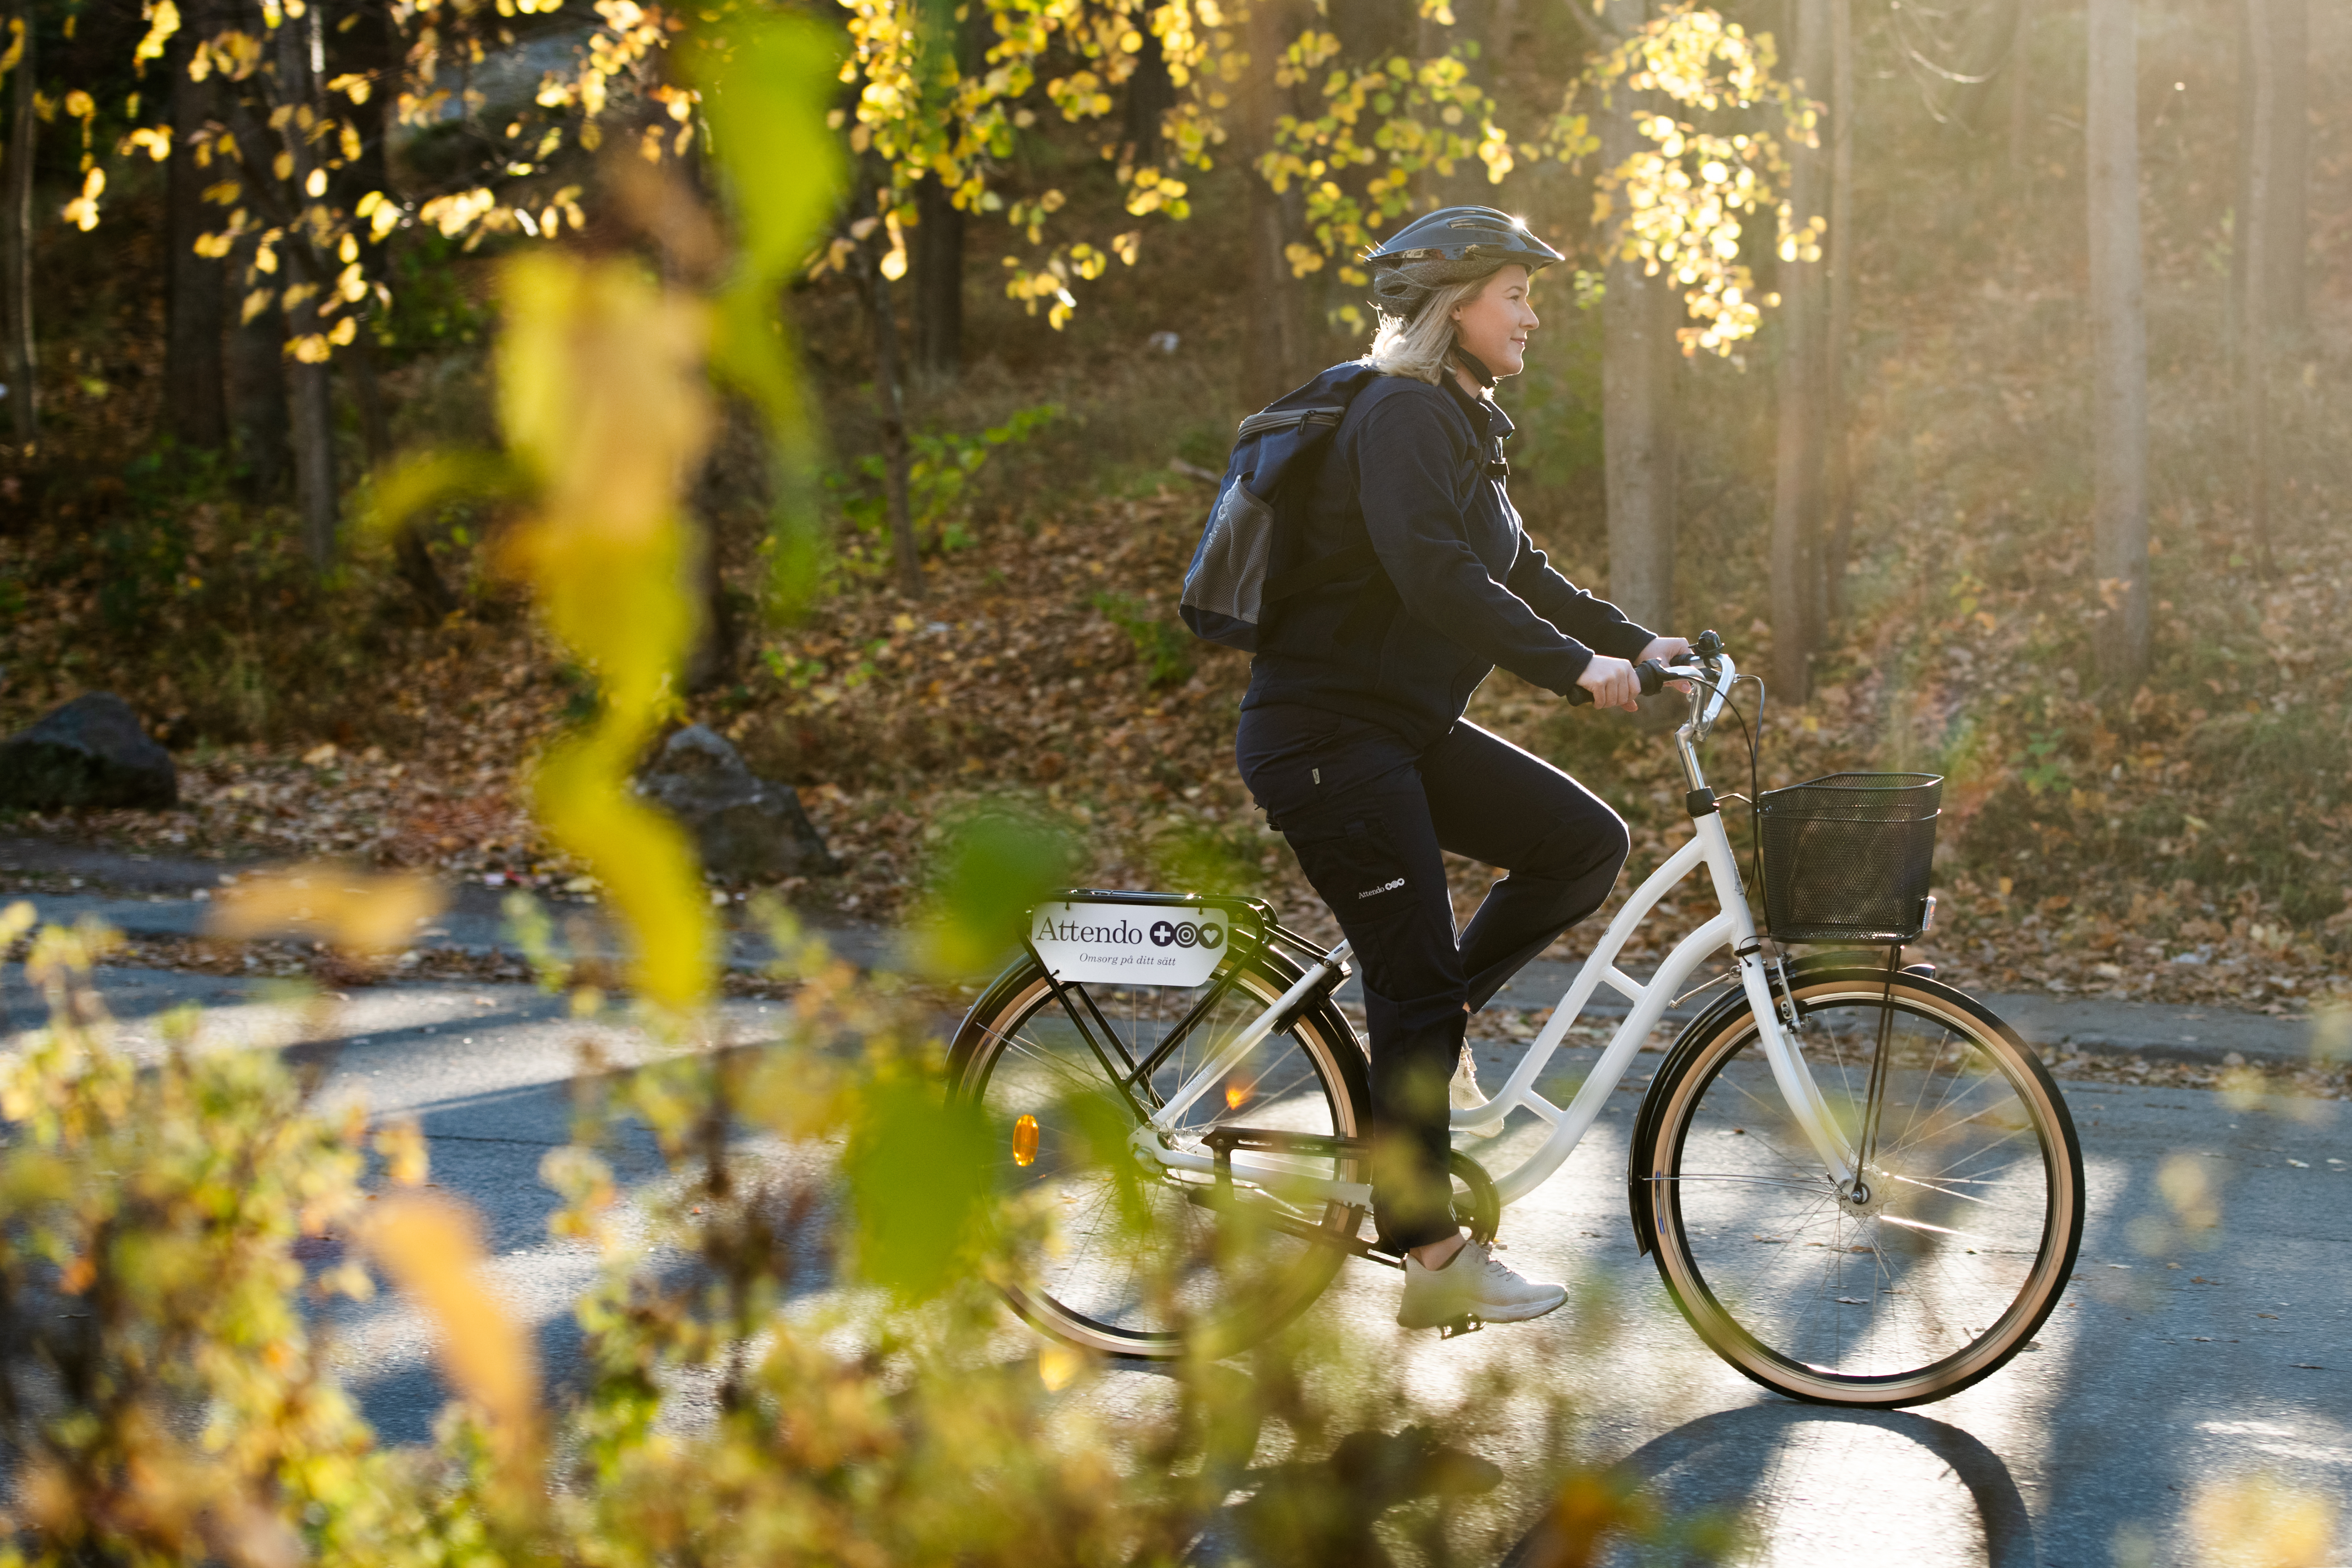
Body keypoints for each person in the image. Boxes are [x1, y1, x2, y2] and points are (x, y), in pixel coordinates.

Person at [1234, 206, 1691, 1331]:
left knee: (1581, 844)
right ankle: (1431, 1256)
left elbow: (1520, 571)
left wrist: (1635, 643)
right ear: (1455, 307)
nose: (1533, 315)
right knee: (1419, 975)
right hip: (1327, 740)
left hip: (1394, 731)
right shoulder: (1398, 415)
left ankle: (1429, 1039)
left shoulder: (1454, 422)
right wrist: (1573, 671)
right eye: (1516, 295)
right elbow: (1436, 576)